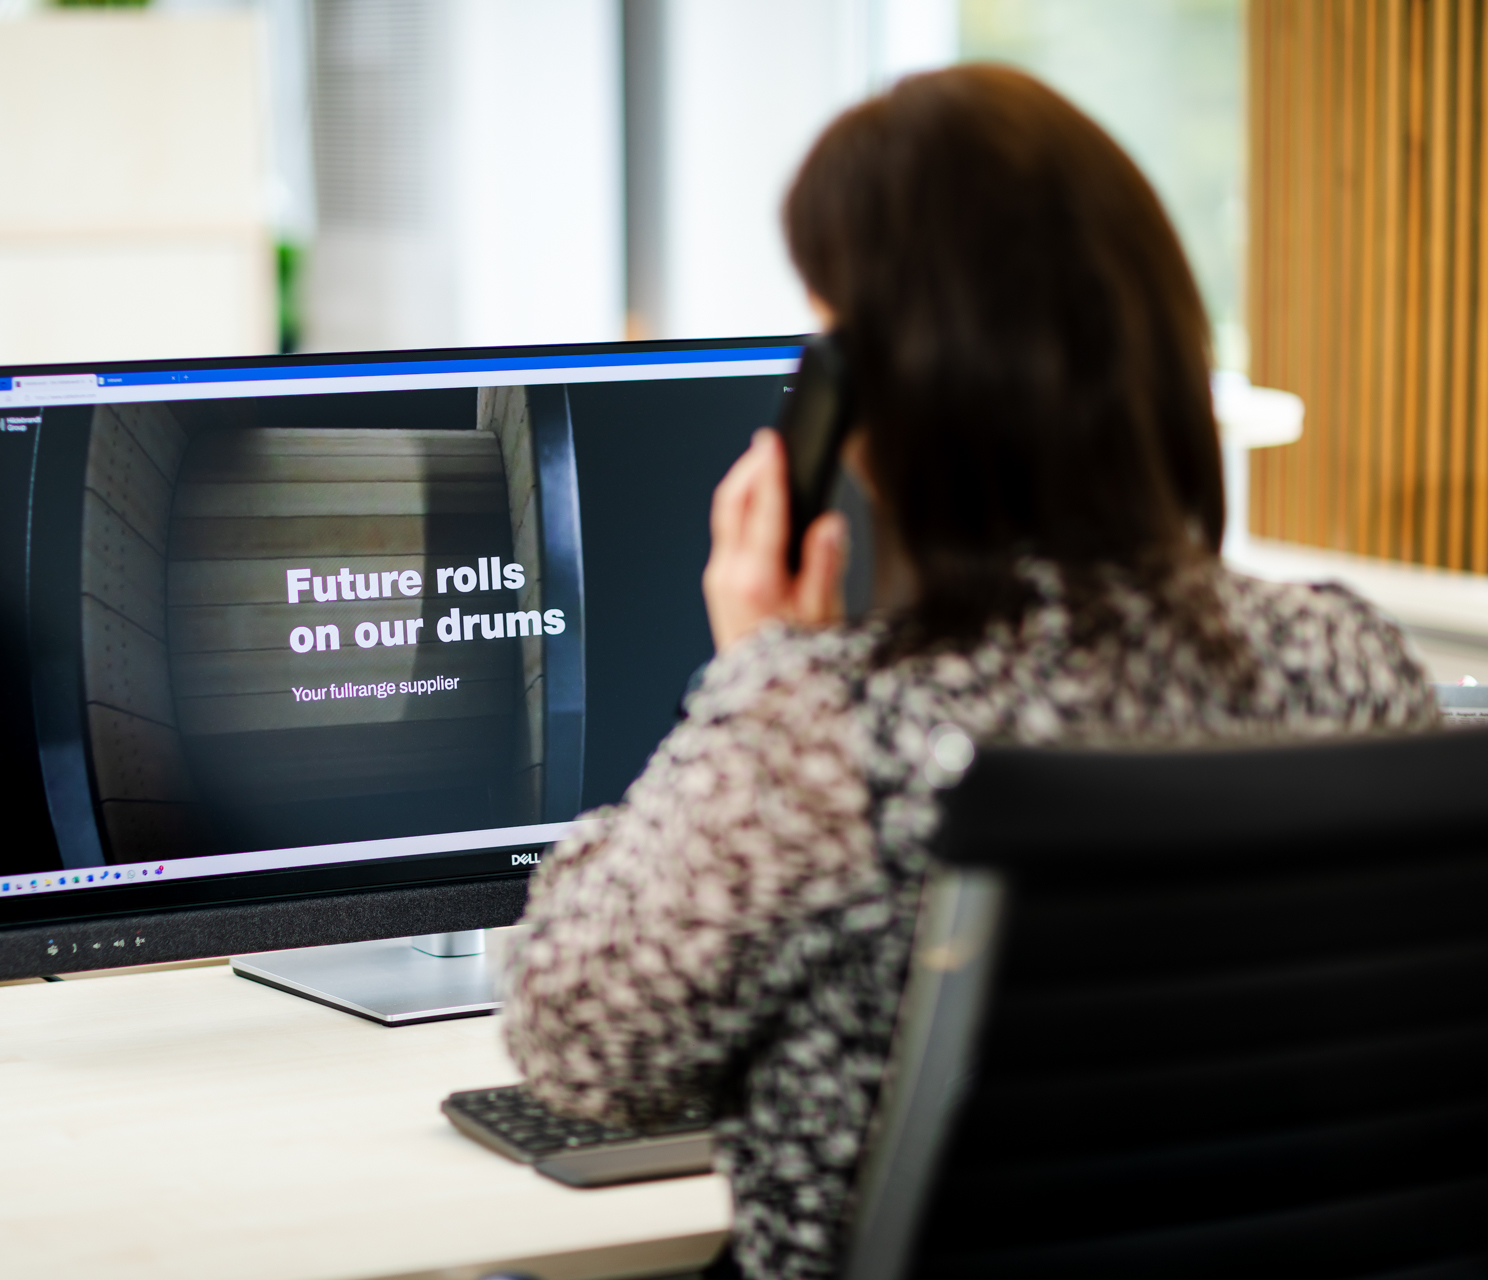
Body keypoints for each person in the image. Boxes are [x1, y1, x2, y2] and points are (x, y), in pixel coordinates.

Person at [501, 64, 1440, 1280]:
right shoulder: (1348, 662)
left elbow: (576, 1047)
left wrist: (758, 677)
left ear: (887, 407)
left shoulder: (830, 729)